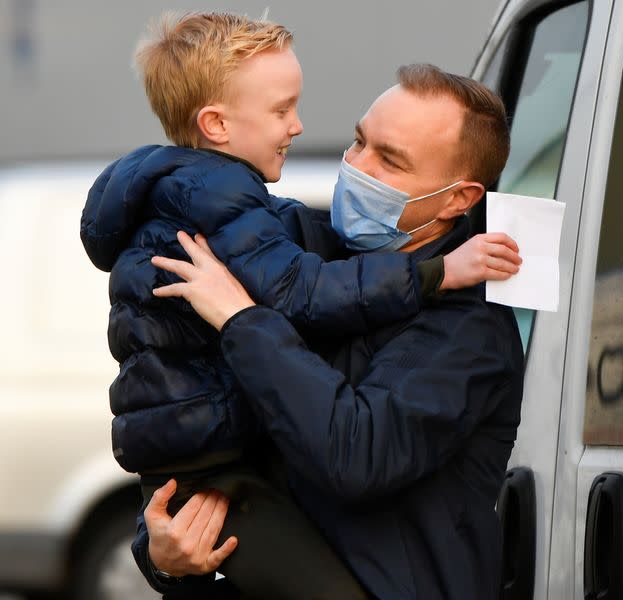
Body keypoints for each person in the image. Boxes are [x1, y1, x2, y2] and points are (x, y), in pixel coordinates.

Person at [79, 12, 521, 600]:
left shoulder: (471, 329)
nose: (356, 166)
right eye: (359, 140)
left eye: (388, 160)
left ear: (458, 199)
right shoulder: (296, 250)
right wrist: (165, 555)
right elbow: (213, 454)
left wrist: (241, 320)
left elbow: (356, 455)